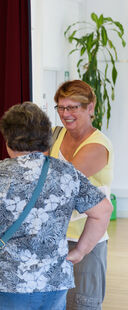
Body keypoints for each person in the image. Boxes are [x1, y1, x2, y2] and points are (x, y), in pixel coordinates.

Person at [0, 102, 113, 310]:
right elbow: (103, 210)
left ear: (8, 138)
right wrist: (80, 251)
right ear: (47, 139)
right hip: (53, 283)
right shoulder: (66, 172)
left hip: (5, 284)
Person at [51, 80, 114, 309]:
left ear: (90, 108)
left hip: (85, 241)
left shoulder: (97, 146)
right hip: (55, 237)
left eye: (73, 108)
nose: (65, 114)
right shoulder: (55, 134)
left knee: (82, 304)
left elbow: (60, 185)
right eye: (61, 107)